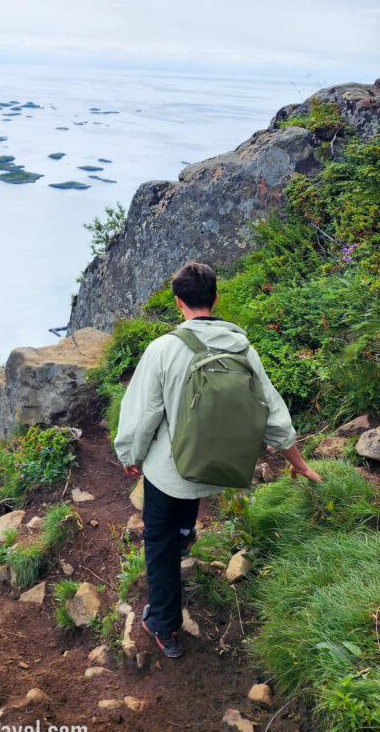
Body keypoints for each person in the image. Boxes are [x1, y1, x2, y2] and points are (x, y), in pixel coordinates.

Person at [113, 261, 322, 659]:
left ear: (178, 303)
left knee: (156, 543)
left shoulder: (163, 349)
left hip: (173, 471)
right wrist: (298, 461)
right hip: (221, 469)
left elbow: (141, 416)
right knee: (181, 501)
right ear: (216, 298)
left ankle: (164, 626)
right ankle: (185, 534)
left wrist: (130, 455)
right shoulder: (243, 347)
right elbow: (274, 414)